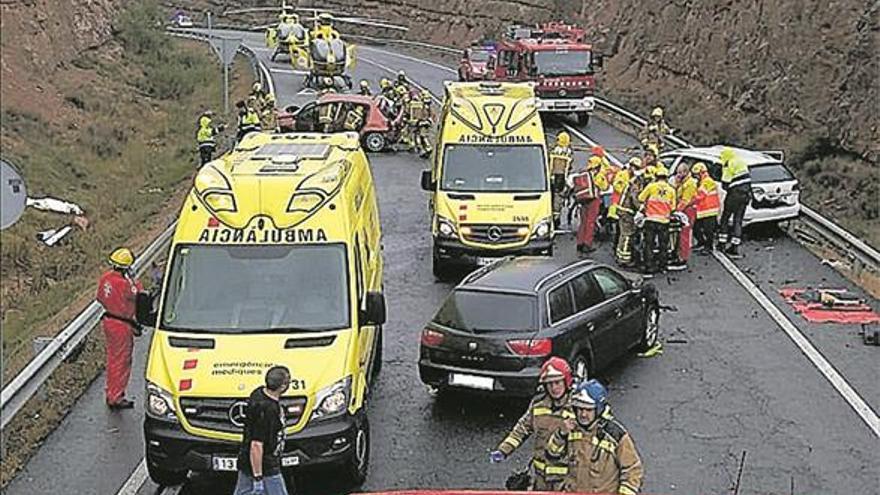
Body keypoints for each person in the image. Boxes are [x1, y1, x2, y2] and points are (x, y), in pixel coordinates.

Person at [490, 357, 575, 491]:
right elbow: (522, 429)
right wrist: (504, 450)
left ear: (566, 381)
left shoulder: (577, 409)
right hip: (541, 478)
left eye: (557, 382)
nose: (554, 388)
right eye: (550, 384)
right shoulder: (538, 405)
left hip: (566, 480)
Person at [545, 379, 643, 494]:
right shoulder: (569, 429)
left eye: (588, 409)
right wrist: (560, 435)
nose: (583, 414)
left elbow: (633, 470)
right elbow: (551, 456)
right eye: (580, 409)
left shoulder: (615, 435)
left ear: (598, 409)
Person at [96, 248, 143, 409]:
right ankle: (116, 396)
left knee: (112, 358)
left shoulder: (105, 279)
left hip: (109, 321)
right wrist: (134, 282)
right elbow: (138, 294)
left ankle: (111, 391)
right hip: (122, 325)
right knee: (122, 361)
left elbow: (100, 297)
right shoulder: (125, 284)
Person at [234, 366, 292, 495]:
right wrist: (258, 478)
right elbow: (256, 445)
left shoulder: (258, 393)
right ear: (282, 387)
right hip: (265, 466)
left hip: (247, 462)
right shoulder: (268, 411)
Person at [637, 165, 676, 275]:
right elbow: (673, 208)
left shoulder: (651, 186)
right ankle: (662, 266)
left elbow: (640, 198)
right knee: (663, 245)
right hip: (664, 221)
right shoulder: (671, 190)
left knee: (649, 244)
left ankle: (648, 267)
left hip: (651, 220)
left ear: (656, 176)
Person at [570, 156, 608, 254]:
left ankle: (580, 242)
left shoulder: (584, 173)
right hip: (593, 200)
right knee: (590, 222)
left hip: (583, 200)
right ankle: (587, 244)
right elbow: (604, 187)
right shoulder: (598, 175)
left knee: (583, 222)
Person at [717, 147, 751, 257]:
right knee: (738, 220)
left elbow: (725, 183)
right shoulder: (741, 161)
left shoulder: (728, 164)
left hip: (734, 195)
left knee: (725, 218)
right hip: (746, 194)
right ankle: (735, 247)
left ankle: (722, 243)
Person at [614, 161, 644, 267]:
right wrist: (642, 209)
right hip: (627, 213)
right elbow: (635, 200)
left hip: (622, 211)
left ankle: (620, 256)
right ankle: (624, 260)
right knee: (627, 235)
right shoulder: (635, 185)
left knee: (623, 235)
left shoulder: (631, 182)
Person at [670, 163, 698, 270]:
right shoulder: (684, 182)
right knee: (680, 234)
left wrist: (674, 211)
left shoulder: (690, 184)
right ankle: (679, 254)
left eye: (680, 172)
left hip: (688, 211)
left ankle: (683, 258)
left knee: (684, 234)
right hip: (685, 210)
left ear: (686, 172)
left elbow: (685, 201)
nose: (678, 175)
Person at [692, 162, 720, 253]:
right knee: (696, 228)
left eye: (696, 174)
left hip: (709, 210)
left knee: (708, 231)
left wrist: (690, 199)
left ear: (701, 173)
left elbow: (700, 195)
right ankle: (701, 243)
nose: (695, 176)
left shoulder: (707, 181)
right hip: (703, 209)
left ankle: (709, 247)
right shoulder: (701, 181)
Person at [549, 132, 574, 228]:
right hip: (561, 178)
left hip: (551, 176)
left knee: (551, 198)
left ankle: (552, 217)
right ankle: (556, 219)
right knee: (558, 199)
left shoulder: (553, 150)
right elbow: (569, 167)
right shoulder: (568, 153)